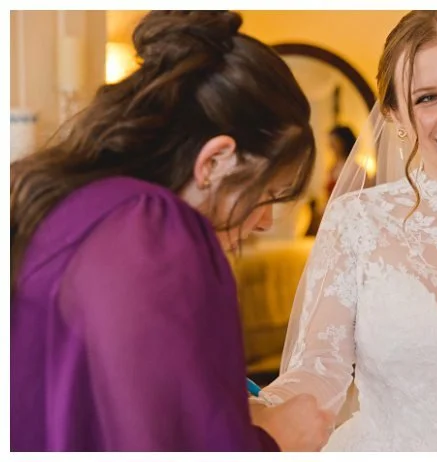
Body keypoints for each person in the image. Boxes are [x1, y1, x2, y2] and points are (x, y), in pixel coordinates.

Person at [10, 11, 332, 452]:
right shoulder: (153, 227)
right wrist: (277, 437)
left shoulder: (81, 207)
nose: (265, 221)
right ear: (215, 161)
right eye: (268, 194)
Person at [255, 11, 437, 451]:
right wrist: (254, 414)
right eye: (427, 97)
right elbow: (321, 368)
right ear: (394, 114)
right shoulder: (355, 222)